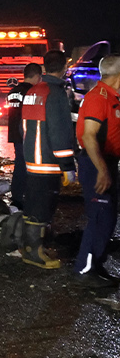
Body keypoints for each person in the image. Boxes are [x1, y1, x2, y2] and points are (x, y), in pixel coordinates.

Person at [18, 50, 75, 269]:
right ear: (65, 68)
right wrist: (67, 165)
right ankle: (35, 253)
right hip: (48, 162)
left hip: (32, 158)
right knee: (43, 207)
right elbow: (60, 132)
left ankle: (29, 247)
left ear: (44, 67)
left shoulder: (34, 91)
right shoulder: (56, 93)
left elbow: (23, 127)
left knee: (33, 203)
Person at [74, 54, 120, 285]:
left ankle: (96, 263)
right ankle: (85, 269)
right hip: (96, 163)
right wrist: (102, 170)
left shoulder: (111, 96)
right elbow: (88, 136)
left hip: (106, 162)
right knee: (100, 217)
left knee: (108, 216)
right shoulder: (98, 97)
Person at [6, 63, 42, 209]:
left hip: (15, 132)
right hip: (27, 133)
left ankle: (17, 195)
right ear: (37, 76)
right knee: (26, 166)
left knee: (19, 164)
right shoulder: (32, 92)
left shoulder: (13, 91)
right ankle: (23, 198)